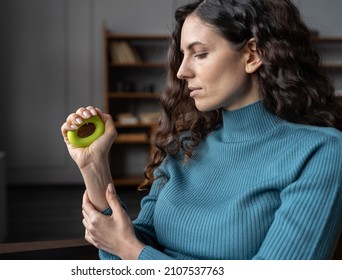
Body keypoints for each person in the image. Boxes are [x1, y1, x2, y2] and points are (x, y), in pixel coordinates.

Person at [61, 0, 342, 260]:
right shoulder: (184, 146)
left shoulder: (320, 152)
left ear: (252, 56)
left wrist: (134, 253)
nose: (182, 71)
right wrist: (94, 168)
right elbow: (121, 252)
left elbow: (130, 251)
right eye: (183, 55)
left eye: (200, 54)